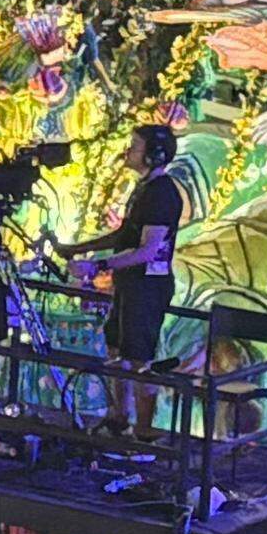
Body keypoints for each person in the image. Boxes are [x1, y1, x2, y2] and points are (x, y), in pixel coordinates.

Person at [88, 120, 185, 430]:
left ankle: (144, 432)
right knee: (117, 347)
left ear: (153, 155)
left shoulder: (161, 194)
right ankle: (119, 418)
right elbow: (124, 234)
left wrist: (98, 266)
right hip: (131, 284)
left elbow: (147, 249)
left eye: (135, 147)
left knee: (140, 359)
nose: (128, 152)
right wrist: (76, 248)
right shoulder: (145, 189)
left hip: (147, 287)